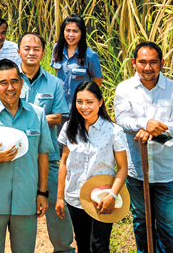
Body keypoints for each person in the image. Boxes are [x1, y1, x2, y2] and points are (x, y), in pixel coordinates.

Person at [0, 59, 55, 253]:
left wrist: (42, 193)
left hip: (26, 199)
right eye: (3, 83)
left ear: (22, 83)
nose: (10, 87)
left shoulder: (37, 114)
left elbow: (43, 155)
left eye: (14, 81)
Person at [114, 42, 173, 253]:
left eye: (153, 62)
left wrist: (155, 129)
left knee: (169, 226)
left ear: (162, 63)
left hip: (168, 171)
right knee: (141, 221)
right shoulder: (125, 89)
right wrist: (145, 123)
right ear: (133, 63)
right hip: (137, 171)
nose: (148, 67)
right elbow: (123, 119)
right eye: (143, 62)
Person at [16, 32, 75, 252]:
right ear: (19, 51)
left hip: (48, 153)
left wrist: (23, 119)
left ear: (43, 52)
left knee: (55, 204)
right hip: (18, 156)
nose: (31, 53)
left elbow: (58, 117)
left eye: (36, 49)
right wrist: (38, 119)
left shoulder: (55, 83)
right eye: (27, 48)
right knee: (21, 209)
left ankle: (64, 248)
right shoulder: (9, 79)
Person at [56, 81, 128, 253]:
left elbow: (123, 168)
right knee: (82, 244)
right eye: (79, 101)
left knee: (99, 246)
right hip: (74, 196)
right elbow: (64, 162)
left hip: (103, 198)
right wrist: (60, 197)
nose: (84, 106)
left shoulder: (114, 131)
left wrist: (112, 195)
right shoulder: (69, 128)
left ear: (100, 102)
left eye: (90, 102)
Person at [51, 15, 103, 106]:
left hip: (79, 107)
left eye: (75, 31)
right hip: (59, 105)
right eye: (68, 30)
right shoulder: (56, 49)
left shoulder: (90, 55)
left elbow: (97, 82)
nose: (71, 35)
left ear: (82, 33)